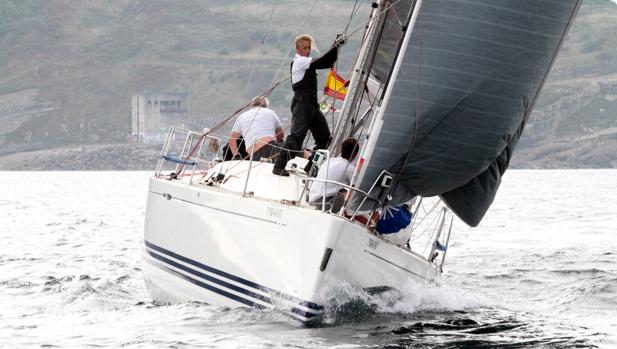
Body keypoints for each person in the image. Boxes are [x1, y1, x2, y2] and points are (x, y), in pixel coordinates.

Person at [272, 34, 345, 176]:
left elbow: (327, 61)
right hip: (302, 104)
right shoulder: (300, 61)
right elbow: (326, 62)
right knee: (296, 138)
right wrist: (336, 45)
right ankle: (278, 166)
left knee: (325, 138)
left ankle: (311, 167)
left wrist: (336, 46)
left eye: (309, 47)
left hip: (312, 106)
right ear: (298, 49)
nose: (308, 50)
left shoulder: (306, 61)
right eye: (305, 48)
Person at [309, 137, 359, 212]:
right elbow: (356, 189)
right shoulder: (350, 168)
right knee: (349, 193)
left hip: (312, 199)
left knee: (340, 191)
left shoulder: (329, 161)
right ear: (355, 155)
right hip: (324, 204)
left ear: (341, 150)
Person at [227, 96, 284, 161]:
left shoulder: (241, 116)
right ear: (265, 105)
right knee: (289, 146)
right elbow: (281, 134)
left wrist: (236, 155)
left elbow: (232, 139)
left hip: (255, 154)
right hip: (272, 147)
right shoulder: (270, 112)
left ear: (252, 105)